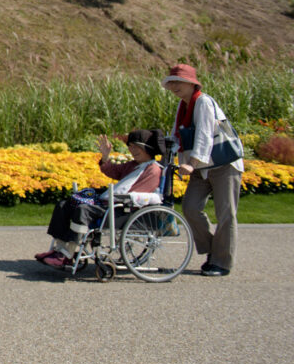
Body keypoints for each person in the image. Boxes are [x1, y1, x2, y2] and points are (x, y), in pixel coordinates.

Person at [36, 128, 164, 269]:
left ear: (148, 148)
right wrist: (105, 157)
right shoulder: (134, 165)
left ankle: (67, 254)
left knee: (82, 209)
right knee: (64, 204)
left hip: (123, 208)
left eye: (136, 146)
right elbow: (113, 171)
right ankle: (57, 250)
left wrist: (113, 197)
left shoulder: (153, 170)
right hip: (110, 202)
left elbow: (137, 194)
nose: (132, 150)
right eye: (130, 146)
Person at [162, 64, 242, 277]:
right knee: (190, 207)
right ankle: (215, 251)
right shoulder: (183, 106)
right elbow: (175, 135)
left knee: (226, 213)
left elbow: (205, 135)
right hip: (203, 166)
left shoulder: (203, 102)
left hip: (224, 164)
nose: (175, 86)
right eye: (172, 82)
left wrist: (192, 163)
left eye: (179, 81)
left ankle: (222, 262)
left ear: (192, 83)